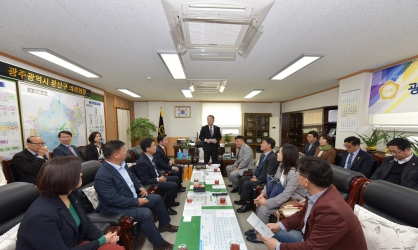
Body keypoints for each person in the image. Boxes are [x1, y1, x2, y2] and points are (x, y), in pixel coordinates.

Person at [16, 156, 123, 250]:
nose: (81, 174)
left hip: (72, 243)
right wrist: (101, 241)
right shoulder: (41, 216)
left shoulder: (71, 194)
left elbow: (85, 220)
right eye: (77, 173)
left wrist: (102, 237)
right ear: (63, 178)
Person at [261, 157, 367, 250]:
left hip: (323, 246)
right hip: (311, 239)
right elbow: (303, 214)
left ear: (306, 182)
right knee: (273, 232)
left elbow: (312, 248)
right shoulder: (320, 191)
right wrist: (279, 225)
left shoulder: (331, 211)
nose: (296, 175)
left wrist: (278, 246)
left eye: (297, 172)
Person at [94, 140, 177, 250]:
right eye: (124, 150)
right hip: (115, 207)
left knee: (156, 198)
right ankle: (159, 245)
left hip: (131, 197)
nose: (126, 153)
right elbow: (112, 199)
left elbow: (133, 177)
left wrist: (140, 187)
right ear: (116, 155)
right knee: (145, 213)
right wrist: (136, 202)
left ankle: (164, 224)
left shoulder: (122, 164)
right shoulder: (103, 175)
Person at [245, 144, 306, 244]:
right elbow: (272, 183)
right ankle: (258, 229)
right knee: (260, 203)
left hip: (292, 203)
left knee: (264, 208)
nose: (277, 153)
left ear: (287, 155)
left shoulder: (294, 174)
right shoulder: (281, 166)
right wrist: (262, 195)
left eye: (280, 152)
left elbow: (286, 195)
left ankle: (262, 236)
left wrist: (266, 202)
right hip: (282, 198)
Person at [135, 138, 182, 215]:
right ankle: (167, 207)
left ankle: (171, 201)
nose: (156, 147)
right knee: (173, 185)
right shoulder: (142, 162)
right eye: (153, 146)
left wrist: (161, 175)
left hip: (157, 177)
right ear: (147, 149)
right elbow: (144, 181)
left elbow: (155, 169)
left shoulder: (151, 156)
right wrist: (158, 179)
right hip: (152, 183)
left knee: (176, 178)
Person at [234, 138, 279, 213]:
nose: (261, 144)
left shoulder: (272, 157)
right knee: (243, 178)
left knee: (247, 183)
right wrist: (254, 176)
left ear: (269, 145)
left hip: (264, 180)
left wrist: (258, 180)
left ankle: (247, 204)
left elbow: (269, 174)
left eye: (263, 143)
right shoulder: (263, 155)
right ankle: (243, 199)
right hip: (258, 176)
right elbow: (258, 168)